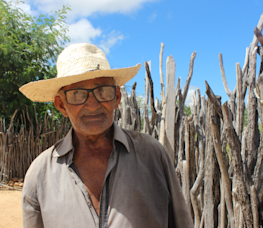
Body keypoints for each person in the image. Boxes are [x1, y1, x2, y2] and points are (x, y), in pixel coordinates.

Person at [19, 43, 193, 228]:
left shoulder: (152, 155)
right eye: (77, 94)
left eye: (103, 91)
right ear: (61, 105)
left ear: (117, 97)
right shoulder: (40, 174)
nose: (93, 105)